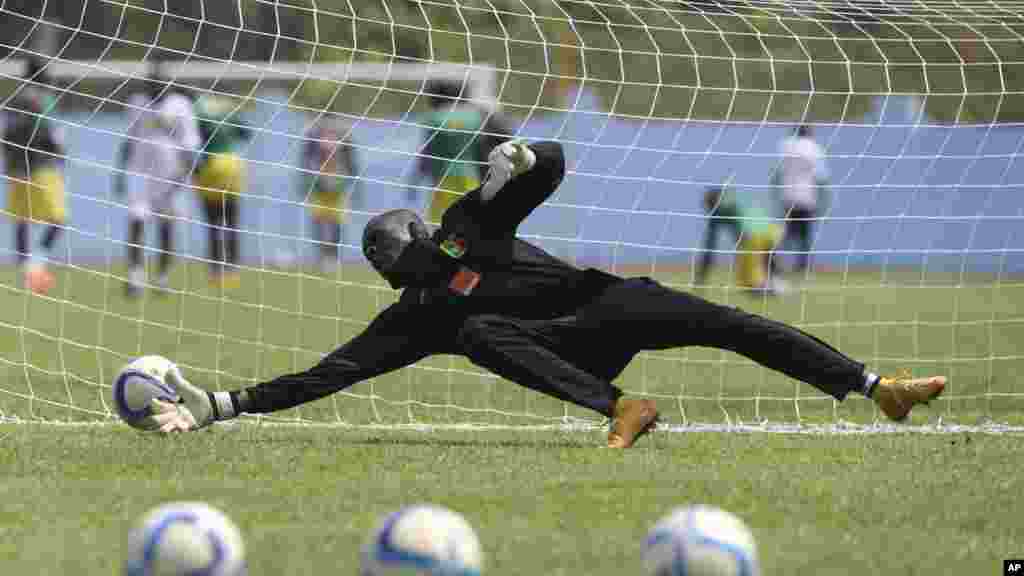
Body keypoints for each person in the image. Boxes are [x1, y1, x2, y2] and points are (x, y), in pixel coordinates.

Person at [148, 141, 946, 448]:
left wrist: (525, 155)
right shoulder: (417, 317)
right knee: (477, 335)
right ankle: (620, 408)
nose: (406, 260)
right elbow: (331, 374)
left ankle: (877, 387)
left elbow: (550, 168)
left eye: (401, 249)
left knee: (729, 321)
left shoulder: (466, 222)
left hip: (605, 302)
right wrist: (225, 405)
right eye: (400, 255)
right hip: (569, 351)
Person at [114, 71, 201, 298]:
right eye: (152, 87)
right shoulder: (136, 103)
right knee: (136, 220)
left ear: (169, 87)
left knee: (167, 225)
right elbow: (129, 139)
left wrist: (185, 175)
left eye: (160, 87)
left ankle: (162, 277)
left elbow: (190, 145)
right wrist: (120, 173)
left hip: (170, 175)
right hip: (140, 173)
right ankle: (135, 276)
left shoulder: (181, 106)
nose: (156, 91)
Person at [409, 79, 511, 225]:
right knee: (471, 219)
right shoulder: (476, 116)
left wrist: (415, 180)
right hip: (471, 175)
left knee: (440, 223)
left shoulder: (433, 118)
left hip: (443, 177)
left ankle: (445, 240)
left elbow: (427, 152)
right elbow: (495, 138)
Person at [3, 59, 66, 295]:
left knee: (22, 220)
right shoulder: (44, 100)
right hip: (42, 167)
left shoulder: (13, 100)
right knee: (58, 219)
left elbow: (5, 134)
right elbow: (51, 133)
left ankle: (26, 273)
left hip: (16, 169)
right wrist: (60, 154)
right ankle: (37, 262)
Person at [193, 94, 252, 289]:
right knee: (232, 222)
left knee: (213, 223)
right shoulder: (228, 107)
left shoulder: (198, 107)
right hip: (232, 165)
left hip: (209, 164)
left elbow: (192, 137)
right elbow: (246, 133)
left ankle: (216, 271)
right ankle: (232, 271)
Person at [696, 183, 784, 294]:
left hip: (755, 236)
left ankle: (769, 286)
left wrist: (701, 277)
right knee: (759, 267)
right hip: (773, 231)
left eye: (707, 205)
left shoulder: (721, 209)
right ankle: (775, 282)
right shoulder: (737, 200)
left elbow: (709, 247)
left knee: (749, 279)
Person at [300, 116, 360, 272]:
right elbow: (306, 159)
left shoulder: (343, 134)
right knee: (319, 220)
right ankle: (323, 256)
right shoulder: (313, 134)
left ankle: (332, 255)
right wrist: (309, 180)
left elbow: (351, 160)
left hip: (337, 185)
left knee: (336, 222)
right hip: (319, 185)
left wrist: (350, 179)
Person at [773, 125, 829, 273]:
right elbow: (821, 176)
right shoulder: (814, 148)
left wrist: (775, 195)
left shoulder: (785, 146)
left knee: (788, 231)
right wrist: (824, 200)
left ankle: (774, 258)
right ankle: (802, 264)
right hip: (807, 195)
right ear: (809, 132)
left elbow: (777, 173)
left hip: (788, 195)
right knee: (805, 233)